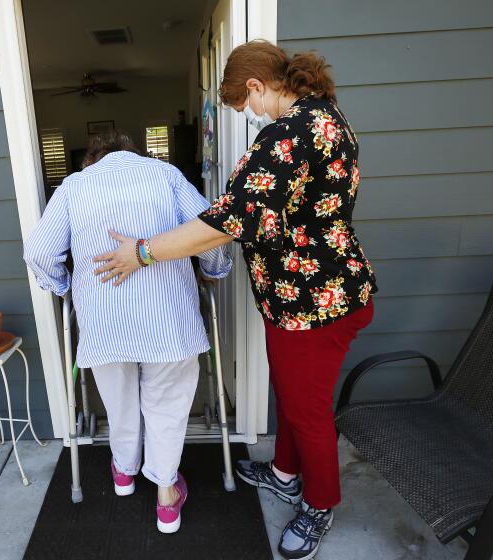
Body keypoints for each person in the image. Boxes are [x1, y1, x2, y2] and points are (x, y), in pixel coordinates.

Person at [92, 42, 377, 559]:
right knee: (295, 398)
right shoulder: (327, 117)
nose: (247, 116)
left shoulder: (290, 133)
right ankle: (285, 474)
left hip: (315, 301)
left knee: (308, 411)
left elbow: (228, 222)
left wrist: (143, 252)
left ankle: (319, 504)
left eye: (244, 106)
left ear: (255, 86)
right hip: (304, 295)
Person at [23, 130, 232, 534]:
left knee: (118, 401)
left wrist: (67, 287)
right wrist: (212, 271)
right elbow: (211, 231)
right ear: (133, 152)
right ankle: (166, 496)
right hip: (168, 317)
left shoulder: (73, 186)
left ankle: (123, 474)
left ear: (93, 159)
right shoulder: (166, 174)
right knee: (166, 404)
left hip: (104, 321)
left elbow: (39, 253)